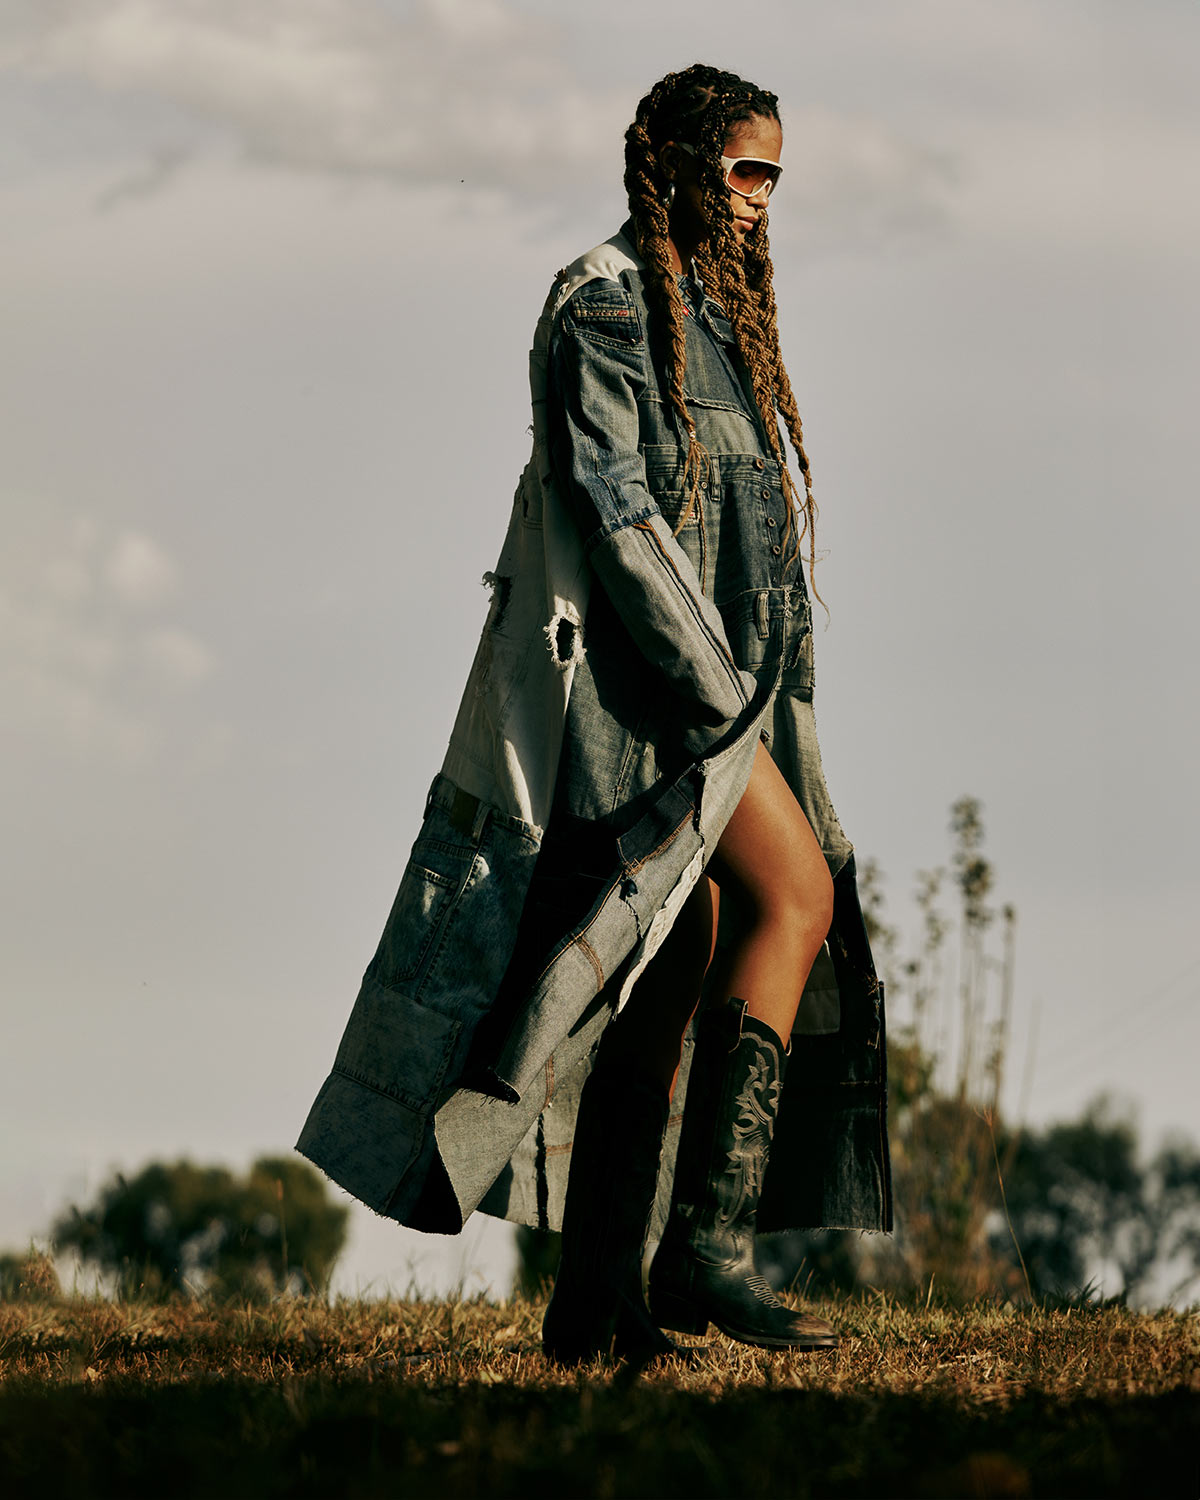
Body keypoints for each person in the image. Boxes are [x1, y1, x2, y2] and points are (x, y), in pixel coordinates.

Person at [296, 64, 891, 1367]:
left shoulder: (713, 316)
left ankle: (593, 1309)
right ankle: (705, 1252)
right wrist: (721, 699)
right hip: (652, 710)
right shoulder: (606, 304)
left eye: (775, 175)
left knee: (669, 977)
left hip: (722, 702)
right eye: (744, 169)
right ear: (675, 162)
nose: (761, 197)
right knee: (798, 899)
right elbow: (618, 515)